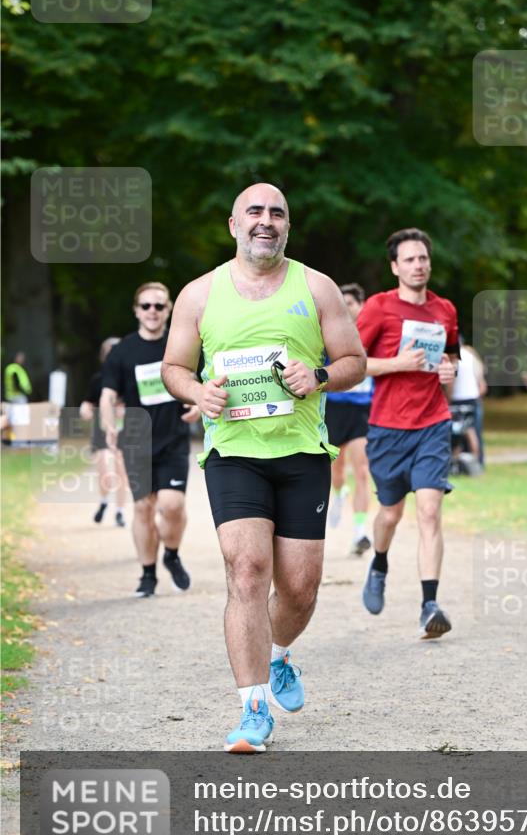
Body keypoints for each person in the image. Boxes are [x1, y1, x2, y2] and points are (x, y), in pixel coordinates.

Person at [161, 183, 366, 753]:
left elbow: (355, 361)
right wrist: (198, 392)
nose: (266, 221)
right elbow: (174, 367)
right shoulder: (199, 294)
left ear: (287, 226)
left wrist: (318, 376)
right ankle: (252, 709)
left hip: (301, 453)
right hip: (234, 453)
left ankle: (278, 655)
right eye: (255, 211)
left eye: (277, 213)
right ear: (234, 225)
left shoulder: (316, 287)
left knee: (299, 588)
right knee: (247, 572)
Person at [357, 227, 459, 639]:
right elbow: (352, 363)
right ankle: (379, 562)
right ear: (395, 267)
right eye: (410, 260)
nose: (418, 265)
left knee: (430, 511)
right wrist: (396, 364)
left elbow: (451, 355)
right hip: (387, 428)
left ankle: (429, 605)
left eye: (423, 258)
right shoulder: (378, 308)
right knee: (391, 514)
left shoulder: (445, 310)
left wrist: (450, 369)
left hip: (433, 422)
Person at [99, 282, 200, 597]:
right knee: (143, 507)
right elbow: (107, 395)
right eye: (146, 306)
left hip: (173, 438)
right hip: (137, 441)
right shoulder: (122, 351)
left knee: (172, 505)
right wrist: (108, 425)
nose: (152, 311)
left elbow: (201, 381)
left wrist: (198, 405)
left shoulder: (180, 344)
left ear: (168, 309)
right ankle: (147, 575)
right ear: (136, 311)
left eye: (159, 305)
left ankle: (171, 553)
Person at [326, 282, 374, 555]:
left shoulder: (373, 333)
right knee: (336, 470)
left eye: (351, 303)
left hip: (361, 410)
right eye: (341, 304)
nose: (346, 308)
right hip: (334, 409)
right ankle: (339, 493)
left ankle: (359, 532)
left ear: (361, 305)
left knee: (362, 470)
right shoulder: (329, 333)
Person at [79, 337, 127, 527]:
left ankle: (120, 512)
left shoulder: (130, 379)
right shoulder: (98, 380)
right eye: (108, 352)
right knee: (105, 470)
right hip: (102, 432)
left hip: (124, 433)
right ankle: (104, 501)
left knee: (121, 473)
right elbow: (87, 403)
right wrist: (85, 410)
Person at [448, 337, 486, 466]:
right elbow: (482, 385)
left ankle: (457, 462)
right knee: (474, 431)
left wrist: (448, 399)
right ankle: (477, 462)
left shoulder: (453, 358)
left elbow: (450, 382)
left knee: (460, 433)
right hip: (473, 398)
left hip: (458, 399)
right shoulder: (472, 356)